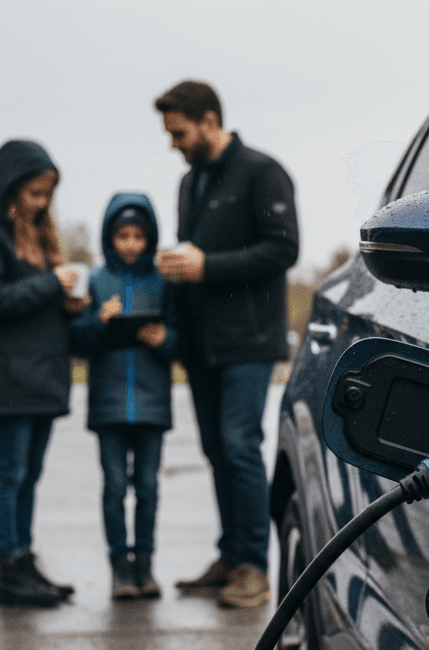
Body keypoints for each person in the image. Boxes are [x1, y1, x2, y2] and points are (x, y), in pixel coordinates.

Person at [154, 81, 299, 608]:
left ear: (209, 121)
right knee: (218, 451)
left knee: (240, 447)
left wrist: (205, 266)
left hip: (249, 341)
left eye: (179, 132)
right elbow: (194, 254)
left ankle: (254, 570)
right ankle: (232, 553)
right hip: (201, 343)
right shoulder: (189, 182)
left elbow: (284, 249)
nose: (173, 143)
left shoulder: (262, 172)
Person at [0, 139, 87, 607]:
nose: (41, 202)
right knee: (9, 472)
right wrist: (51, 284)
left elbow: (36, 305)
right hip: (8, 379)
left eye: (47, 193)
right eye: (34, 192)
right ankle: (9, 568)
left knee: (29, 474)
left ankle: (26, 560)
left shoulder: (42, 239)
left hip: (43, 380)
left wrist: (72, 306)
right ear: (9, 188)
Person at [70, 194, 177, 600]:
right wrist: (99, 322)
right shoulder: (95, 282)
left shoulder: (163, 281)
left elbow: (180, 339)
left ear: (149, 238)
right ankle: (119, 568)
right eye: (122, 235)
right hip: (108, 406)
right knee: (115, 488)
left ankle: (145, 566)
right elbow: (78, 341)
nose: (130, 243)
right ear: (109, 238)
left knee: (147, 488)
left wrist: (165, 339)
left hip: (153, 405)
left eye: (137, 235)